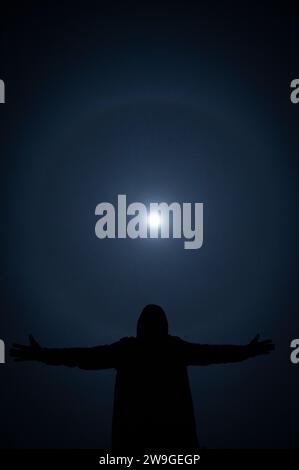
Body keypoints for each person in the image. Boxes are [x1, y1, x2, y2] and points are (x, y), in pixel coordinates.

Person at [10, 304, 274, 450]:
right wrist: (246, 352)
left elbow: (82, 357)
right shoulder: (171, 349)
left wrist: (43, 355)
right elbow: (215, 354)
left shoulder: (131, 350)